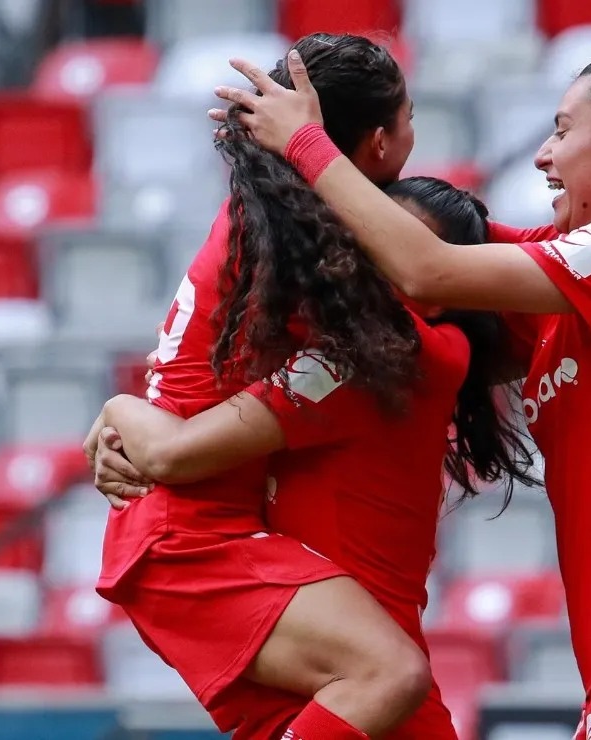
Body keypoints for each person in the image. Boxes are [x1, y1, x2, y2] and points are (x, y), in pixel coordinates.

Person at [211, 46, 591, 737]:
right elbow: (433, 238)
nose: (543, 156)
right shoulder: (590, 275)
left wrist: (306, 143)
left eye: (561, 130)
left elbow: (429, 268)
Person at [89, 34, 449, 740]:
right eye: (409, 119)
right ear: (376, 144)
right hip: (190, 537)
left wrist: (118, 414)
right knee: (388, 674)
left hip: (190, 522)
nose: (415, 135)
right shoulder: (308, 242)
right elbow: (431, 276)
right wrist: (121, 411)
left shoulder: (273, 216)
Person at [90, 176, 535, 740]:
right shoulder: (384, 345)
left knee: (391, 674)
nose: (370, 256)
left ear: (440, 277)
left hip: (352, 660)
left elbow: (172, 452)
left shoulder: (391, 355)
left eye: (398, 245)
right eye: (367, 238)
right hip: (328, 644)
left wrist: (117, 410)